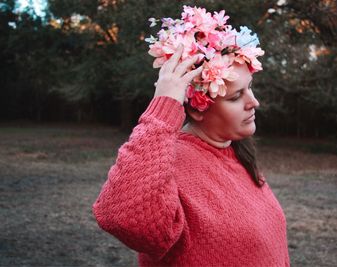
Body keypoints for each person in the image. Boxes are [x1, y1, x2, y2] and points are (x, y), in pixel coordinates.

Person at [93, 6, 290, 267]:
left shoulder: (237, 154)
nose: (254, 102)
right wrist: (164, 106)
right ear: (198, 108)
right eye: (235, 96)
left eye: (250, 89)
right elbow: (122, 217)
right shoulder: (167, 162)